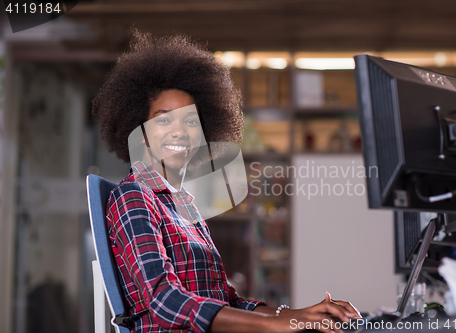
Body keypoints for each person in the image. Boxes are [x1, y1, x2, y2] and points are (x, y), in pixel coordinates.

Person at [92, 29, 361, 333]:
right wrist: (274, 327)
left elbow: (224, 298)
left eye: (190, 121)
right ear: (139, 131)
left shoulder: (183, 204)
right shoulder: (135, 196)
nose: (179, 131)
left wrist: (295, 315)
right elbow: (164, 301)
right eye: (163, 119)